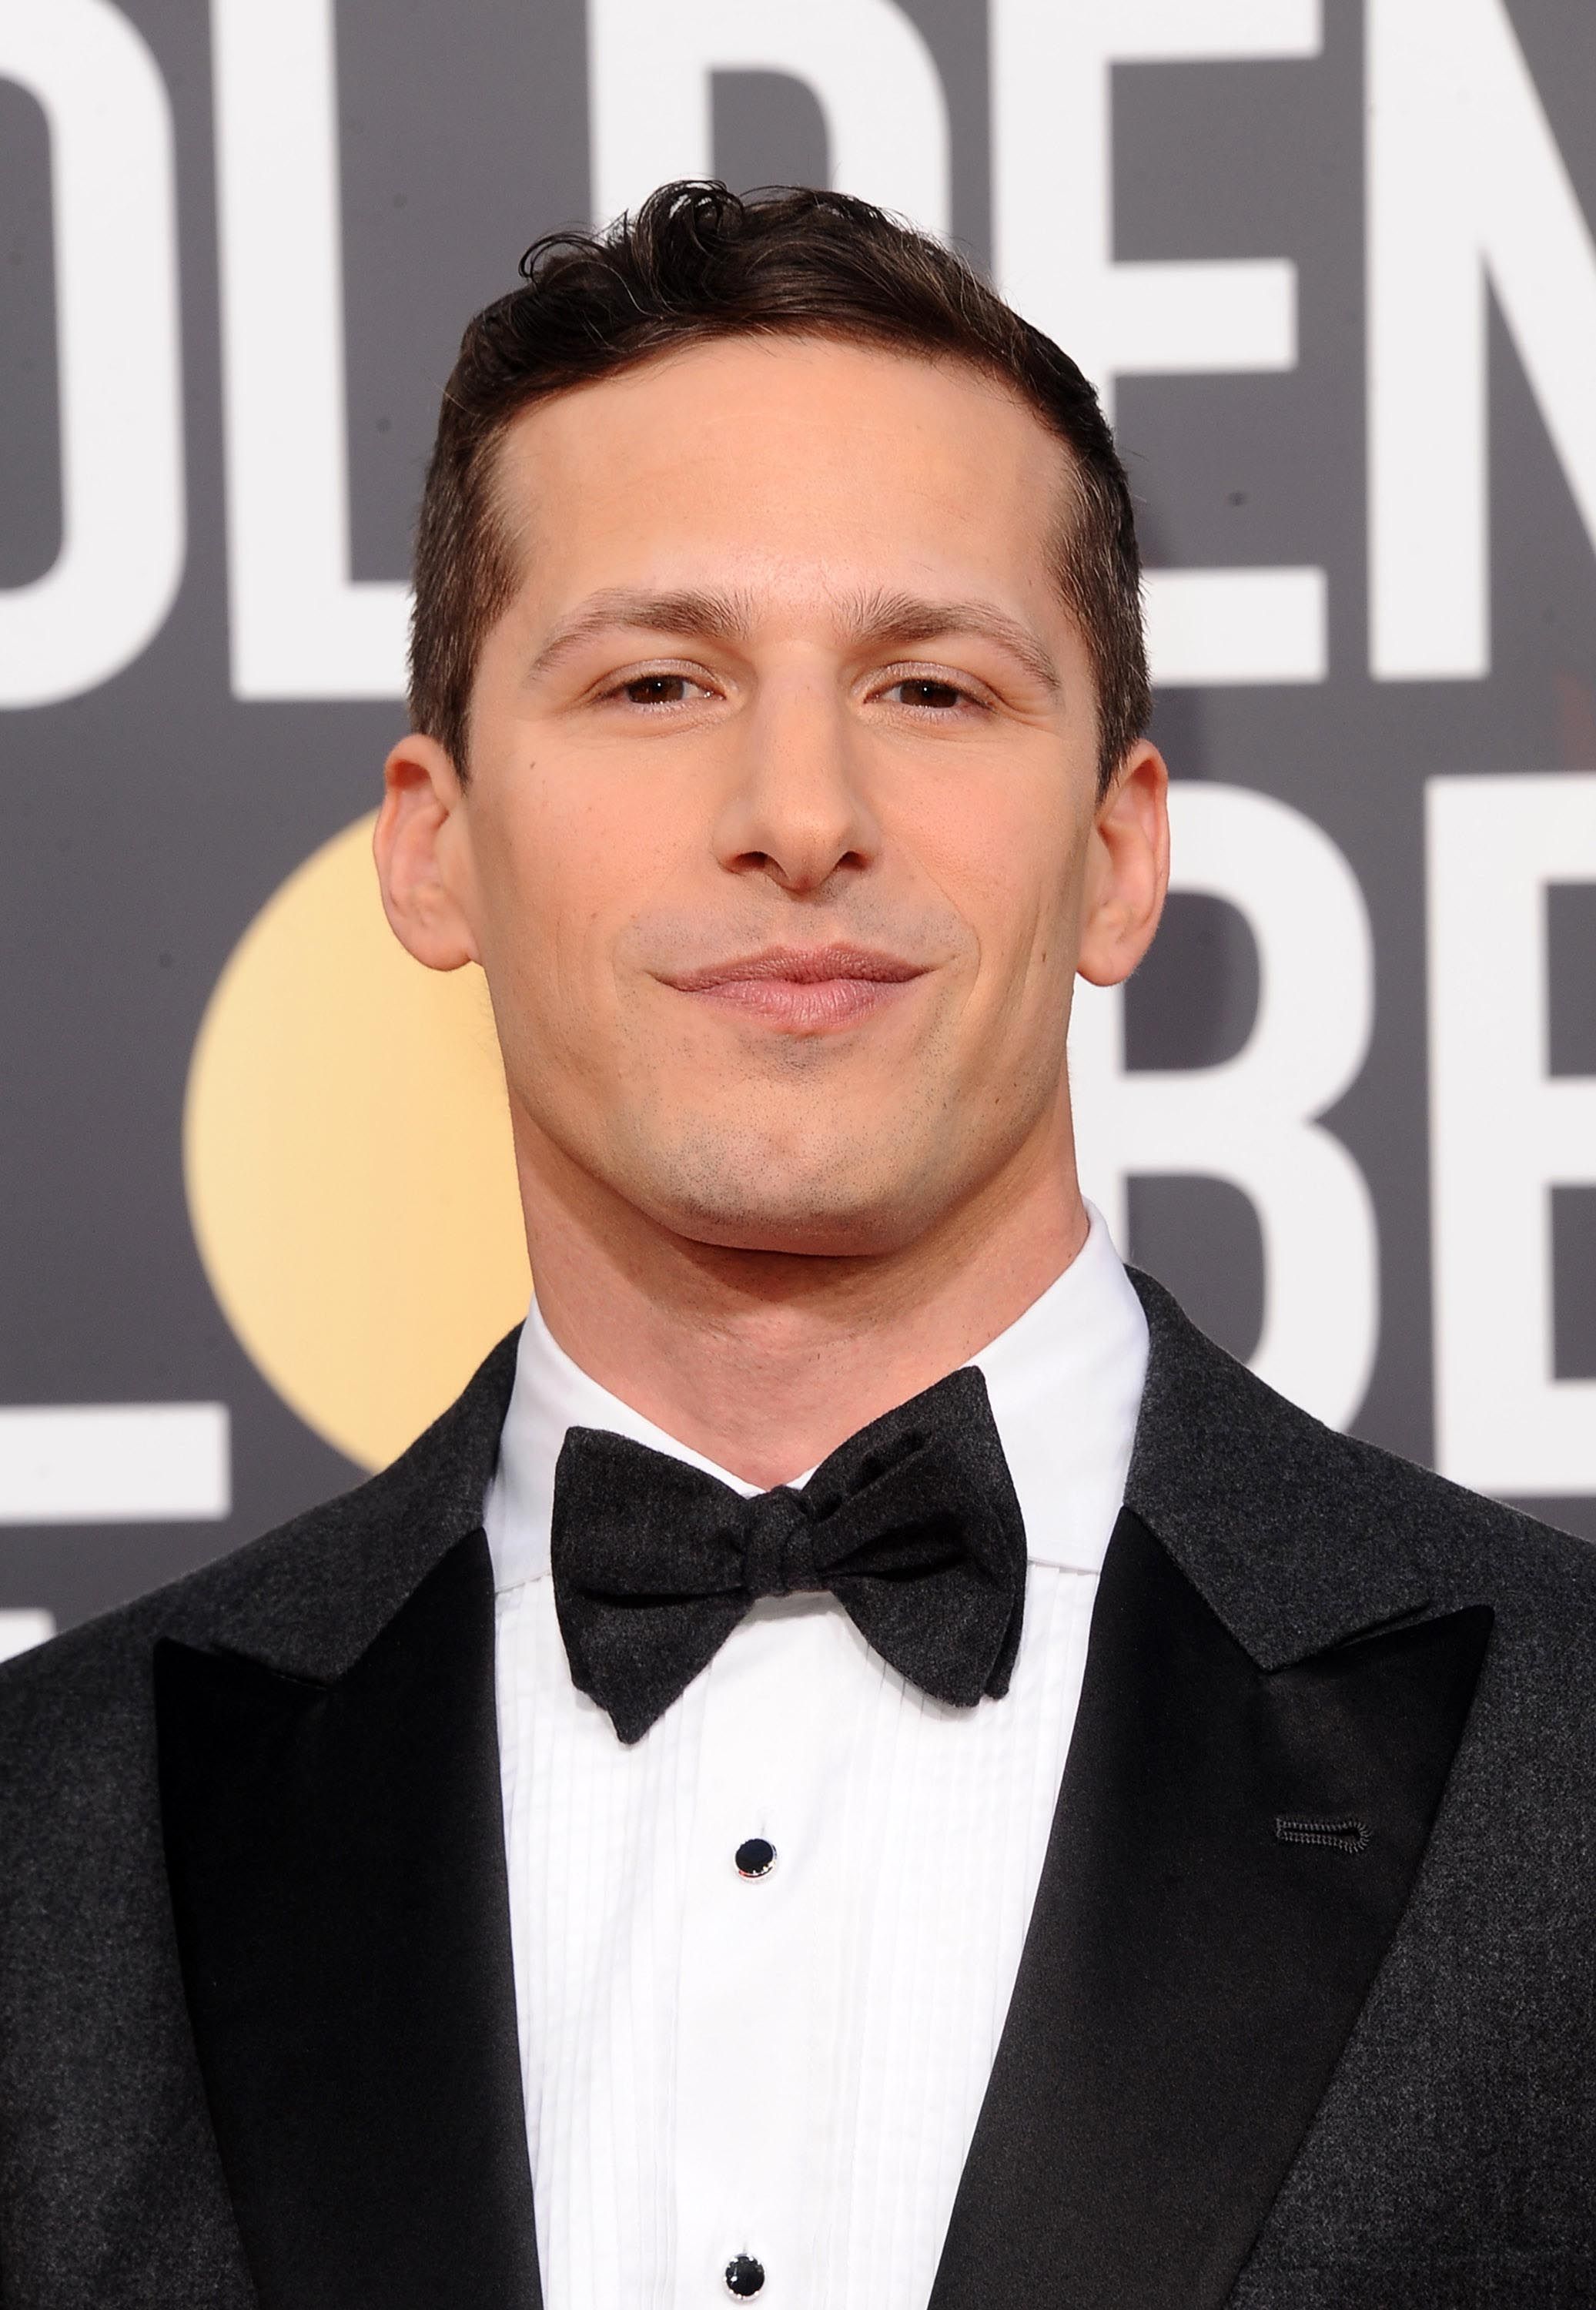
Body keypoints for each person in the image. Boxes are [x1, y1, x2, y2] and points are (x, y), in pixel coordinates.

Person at [1, 180, 1591, 2310]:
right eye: (657, 684)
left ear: (1119, 858)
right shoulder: (46, 1842)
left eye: (929, 690)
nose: (800, 809)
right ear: (433, 844)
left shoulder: (1568, 1761)